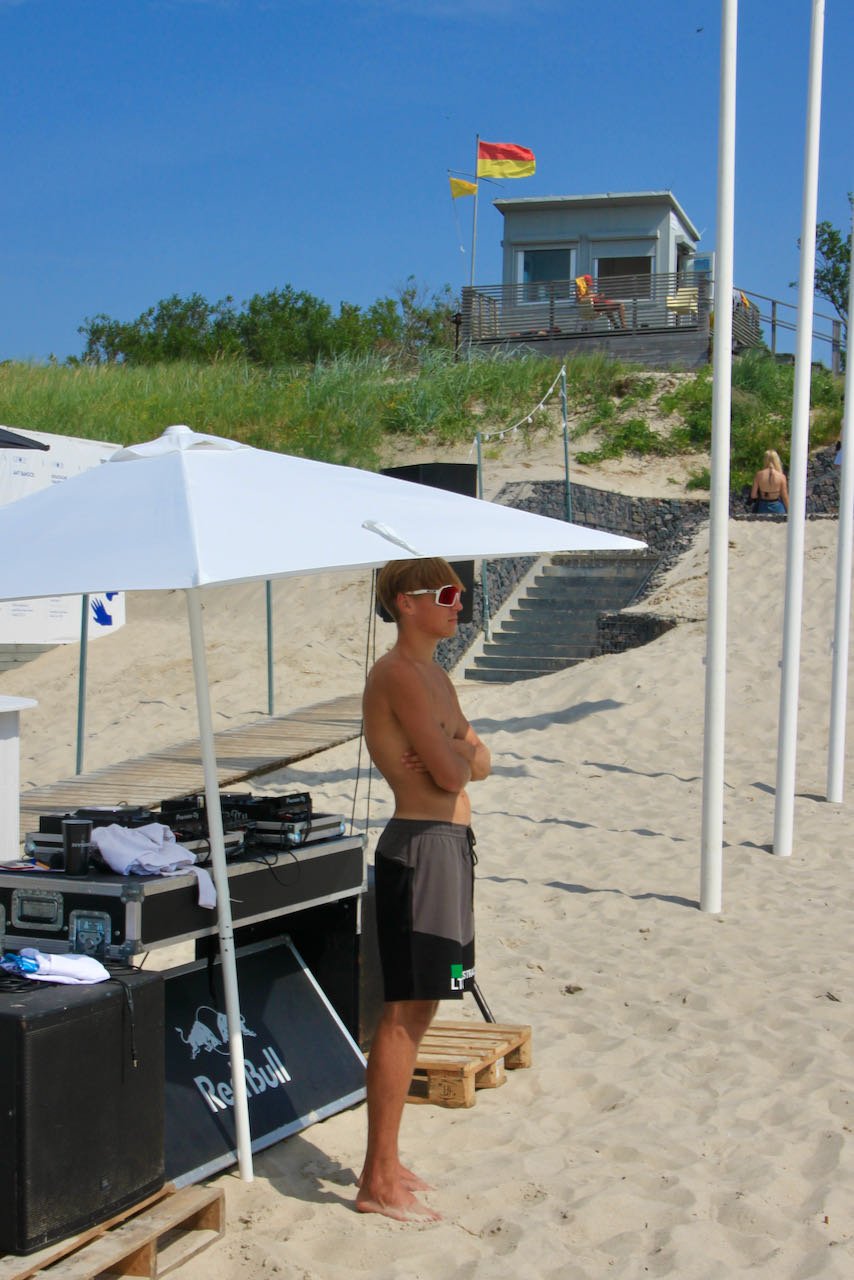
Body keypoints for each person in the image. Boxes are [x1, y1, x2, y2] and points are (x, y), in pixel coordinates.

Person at [356, 557, 491, 1222]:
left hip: (450, 849)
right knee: (403, 1012)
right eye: (445, 592)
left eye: (460, 592)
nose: (458, 603)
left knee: (427, 1005)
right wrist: (455, 752)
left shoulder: (437, 676)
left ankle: (388, 1163)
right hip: (420, 848)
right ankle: (375, 1179)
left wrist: (454, 749)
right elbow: (453, 774)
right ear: (405, 603)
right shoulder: (396, 675)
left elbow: (479, 761)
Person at [750, 449, 789, 515]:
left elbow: (753, 495)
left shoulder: (759, 475)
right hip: (777, 507)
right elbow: (784, 497)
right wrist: (789, 511)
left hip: (763, 506)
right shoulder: (781, 477)